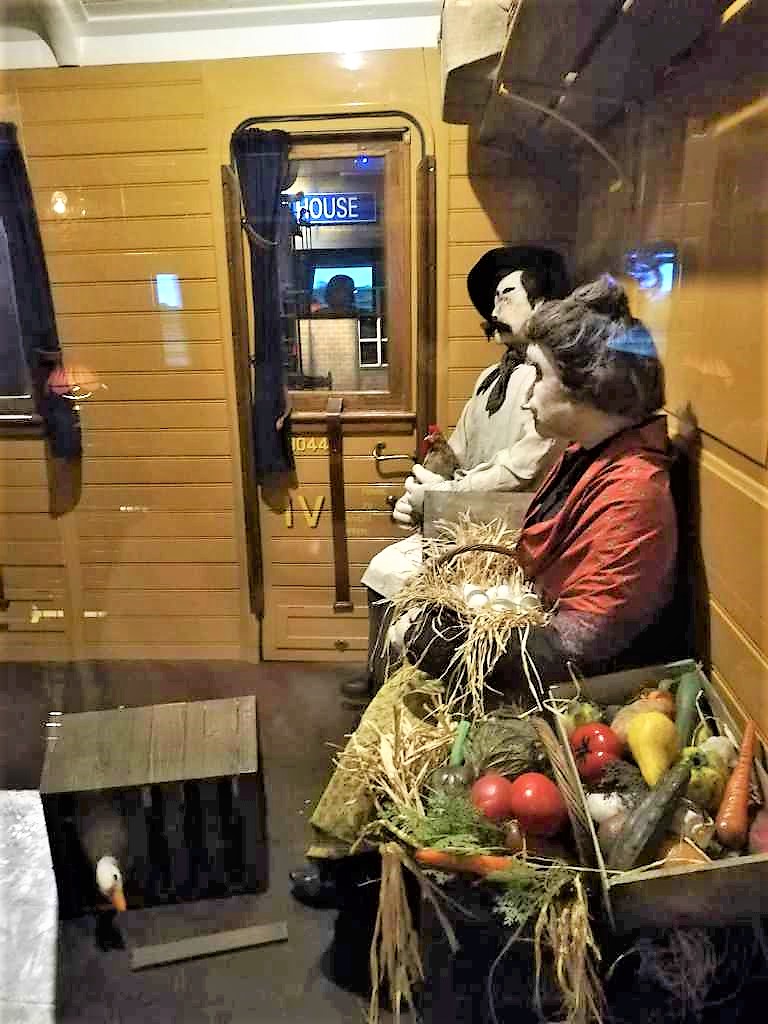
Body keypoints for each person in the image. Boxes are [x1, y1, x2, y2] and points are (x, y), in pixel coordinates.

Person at [404, 274, 677, 694]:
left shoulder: (632, 495)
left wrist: (442, 644)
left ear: (588, 384)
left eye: (538, 373)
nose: (528, 395)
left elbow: (577, 649)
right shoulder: (589, 452)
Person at [342, 246, 569, 701]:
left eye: (506, 296)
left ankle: (411, 693)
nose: (493, 311)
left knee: (397, 575)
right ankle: (380, 678)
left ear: (543, 305)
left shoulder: (549, 383)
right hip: (462, 517)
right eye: (493, 299)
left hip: (503, 533)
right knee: (381, 568)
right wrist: (426, 477)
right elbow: (459, 447)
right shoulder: (489, 378)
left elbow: (519, 469)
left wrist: (443, 494)